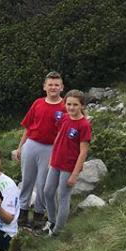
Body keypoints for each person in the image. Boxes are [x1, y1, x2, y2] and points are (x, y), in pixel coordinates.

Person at [14, 72, 66, 229]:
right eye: (50, 84)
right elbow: (28, 126)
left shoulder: (65, 107)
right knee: (27, 181)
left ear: (62, 87)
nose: (53, 87)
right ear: (44, 87)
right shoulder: (37, 103)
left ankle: (38, 215)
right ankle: (22, 214)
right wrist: (20, 147)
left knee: (43, 184)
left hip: (50, 149)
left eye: (56, 85)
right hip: (31, 144)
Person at [42, 90, 92, 236]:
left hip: (69, 166)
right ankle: (51, 221)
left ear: (82, 106)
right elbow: (59, 136)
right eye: (68, 104)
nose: (71, 107)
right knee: (48, 192)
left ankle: (57, 231)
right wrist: (52, 157)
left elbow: (83, 152)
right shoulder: (64, 118)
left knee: (62, 196)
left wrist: (75, 174)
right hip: (56, 162)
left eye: (75, 105)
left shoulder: (84, 125)